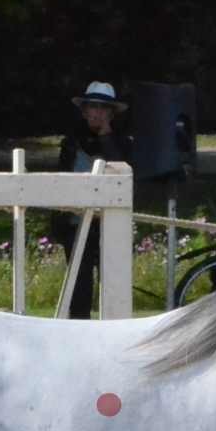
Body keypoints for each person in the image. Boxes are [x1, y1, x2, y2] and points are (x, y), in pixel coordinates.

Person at [51, 81, 135, 319]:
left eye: (102, 108)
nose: (96, 113)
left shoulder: (122, 143)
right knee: (79, 285)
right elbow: (60, 179)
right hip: (76, 224)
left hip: (110, 224)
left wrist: (106, 136)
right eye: (92, 107)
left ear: (111, 113)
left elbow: (122, 170)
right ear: (84, 110)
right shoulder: (71, 142)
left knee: (112, 283)